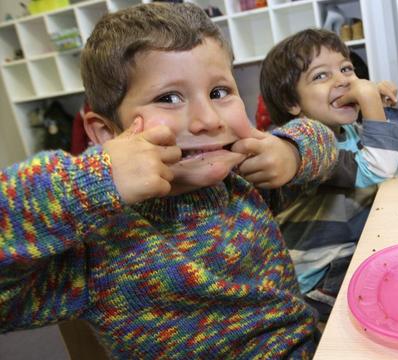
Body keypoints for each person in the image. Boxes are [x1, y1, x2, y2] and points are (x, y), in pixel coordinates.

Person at [0, 3, 339, 359]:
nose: (207, 119)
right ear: (105, 133)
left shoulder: (244, 182)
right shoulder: (96, 246)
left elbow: (322, 139)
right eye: (168, 98)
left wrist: (291, 151)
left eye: (219, 92)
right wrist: (94, 179)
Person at [260, 28, 398, 320]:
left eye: (346, 68)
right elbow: (379, 166)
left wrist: (385, 105)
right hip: (318, 281)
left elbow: (395, 148)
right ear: (293, 103)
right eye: (321, 75)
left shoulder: (348, 131)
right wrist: (369, 99)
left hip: (355, 249)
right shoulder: (307, 144)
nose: (344, 80)